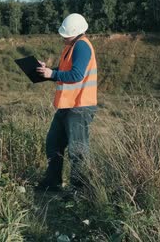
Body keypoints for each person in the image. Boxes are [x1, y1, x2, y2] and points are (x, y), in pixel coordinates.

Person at [35, 13, 98, 192]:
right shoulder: (71, 46)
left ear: (76, 33)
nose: (62, 37)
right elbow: (64, 72)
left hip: (79, 107)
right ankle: (53, 182)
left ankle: (80, 191)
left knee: (78, 152)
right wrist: (46, 71)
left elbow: (76, 75)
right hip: (67, 106)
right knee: (53, 144)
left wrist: (52, 74)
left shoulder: (82, 47)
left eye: (65, 34)